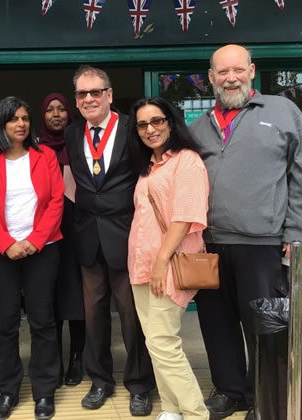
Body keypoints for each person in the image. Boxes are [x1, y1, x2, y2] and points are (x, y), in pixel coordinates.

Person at [190, 44, 302, 420]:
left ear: (251, 70)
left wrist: (295, 233)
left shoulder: (282, 112)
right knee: (217, 326)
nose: (230, 78)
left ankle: (263, 396)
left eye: (237, 70)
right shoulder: (198, 128)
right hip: (209, 245)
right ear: (211, 77)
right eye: (222, 72)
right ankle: (230, 391)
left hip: (262, 243)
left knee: (264, 329)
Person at [64, 65, 156, 416]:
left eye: (95, 92)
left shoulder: (134, 129)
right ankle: (100, 380)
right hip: (88, 238)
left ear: (109, 95)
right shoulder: (74, 134)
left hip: (127, 236)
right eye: (82, 94)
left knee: (133, 316)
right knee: (93, 316)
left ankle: (139, 385)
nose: (89, 99)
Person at [0, 96, 63, 420]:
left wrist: (35, 241)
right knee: (6, 322)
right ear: (1, 123)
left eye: (25, 118)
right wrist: (7, 243)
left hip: (43, 248)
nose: (21, 124)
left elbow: (56, 202)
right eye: (14, 119)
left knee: (42, 320)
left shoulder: (46, 156)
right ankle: (8, 391)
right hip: (0, 252)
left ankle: (44, 392)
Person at [126, 97, 210, 420]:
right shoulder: (148, 165)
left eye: (157, 121)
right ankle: (172, 407)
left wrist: (161, 260)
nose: (150, 129)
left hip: (168, 265)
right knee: (154, 342)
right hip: (142, 266)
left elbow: (185, 216)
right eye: (143, 124)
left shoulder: (187, 161)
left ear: (171, 122)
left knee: (163, 342)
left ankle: (195, 412)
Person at [38, 92, 85, 386]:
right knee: (49, 299)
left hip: (77, 233)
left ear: (69, 114)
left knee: (76, 298)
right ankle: (52, 359)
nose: (56, 114)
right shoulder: (34, 149)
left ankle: (77, 359)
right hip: (45, 236)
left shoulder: (80, 145)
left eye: (61, 109)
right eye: (50, 110)